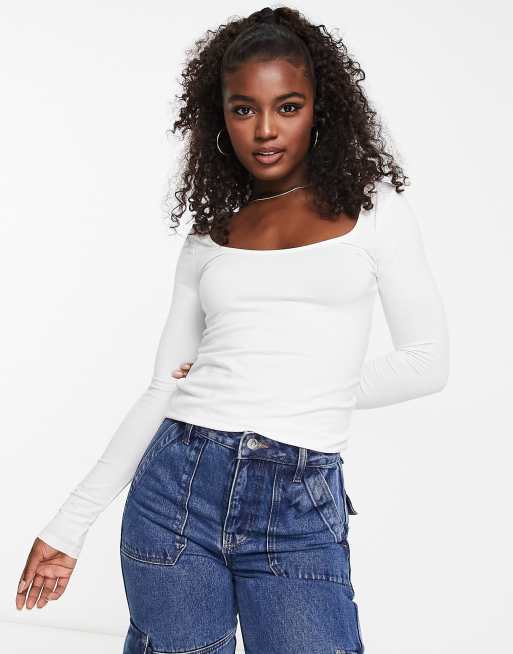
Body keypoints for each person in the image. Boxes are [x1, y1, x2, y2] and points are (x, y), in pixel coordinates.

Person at [16, 6, 449, 653]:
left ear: (320, 110)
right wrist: (69, 524)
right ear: (220, 116)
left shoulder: (374, 214)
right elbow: (164, 386)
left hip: (298, 499)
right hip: (175, 489)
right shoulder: (209, 234)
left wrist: (283, 386)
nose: (265, 129)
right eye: (244, 109)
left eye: (288, 106)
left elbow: (425, 361)